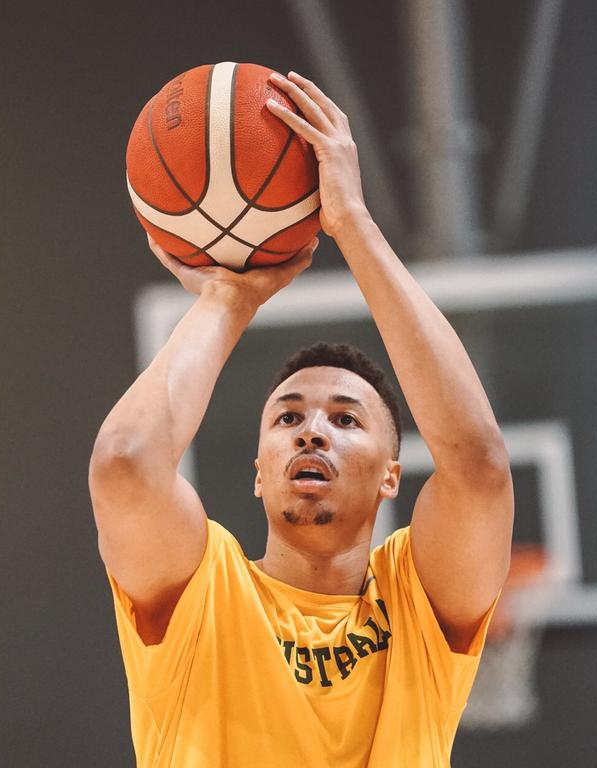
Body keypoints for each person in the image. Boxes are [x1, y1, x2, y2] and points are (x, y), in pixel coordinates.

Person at [89, 70, 514, 767]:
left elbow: (478, 465)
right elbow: (126, 464)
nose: (312, 429)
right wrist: (227, 301)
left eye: (346, 419)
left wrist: (353, 223)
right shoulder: (206, 593)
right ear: (258, 473)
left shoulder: (418, 604)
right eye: (287, 418)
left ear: (390, 476)